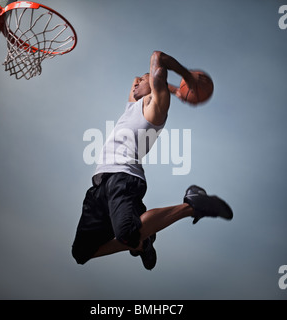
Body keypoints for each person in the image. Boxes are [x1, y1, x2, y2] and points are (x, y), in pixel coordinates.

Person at [72, 51, 233, 270]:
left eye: (144, 79)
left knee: (127, 233)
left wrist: (186, 78)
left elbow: (158, 57)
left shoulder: (155, 109)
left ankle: (193, 205)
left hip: (124, 177)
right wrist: (176, 90)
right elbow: (138, 80)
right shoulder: (132, 106)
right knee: (81, 253)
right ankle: (142, 242)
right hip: (100, 183)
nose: (137, 80)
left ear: (157, 87)